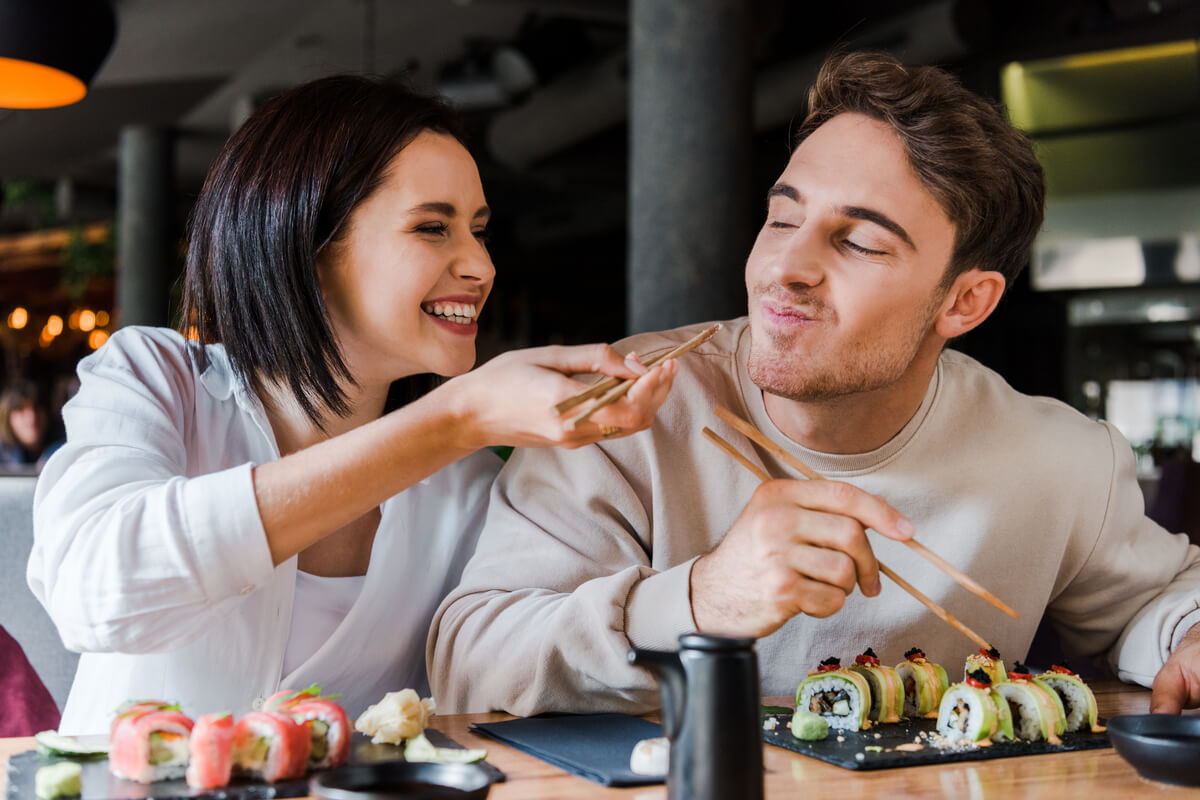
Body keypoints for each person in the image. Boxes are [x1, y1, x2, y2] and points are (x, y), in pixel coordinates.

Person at [428, 51, 1200, 716]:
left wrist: (1188, 637)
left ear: (966, 302)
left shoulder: (1057, 459)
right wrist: (699, 600)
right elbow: (470, 663)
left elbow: (1156, 606)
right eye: (782, 219)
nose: (784, 270)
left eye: (858, 242)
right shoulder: (626, 403)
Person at [27, 75, 677, 734]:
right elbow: (95, 593)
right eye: (434, 228)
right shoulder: (159, 379)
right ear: (309, 246)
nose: (481, 266)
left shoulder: (467, 489)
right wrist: (455, 419)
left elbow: (512, 674)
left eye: (479, 231)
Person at [0, 380, 49, 469]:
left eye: (36, 408)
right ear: (7, 417)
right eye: (21, 410)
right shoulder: (3, 458)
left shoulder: (62, 449)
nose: (32, 418)